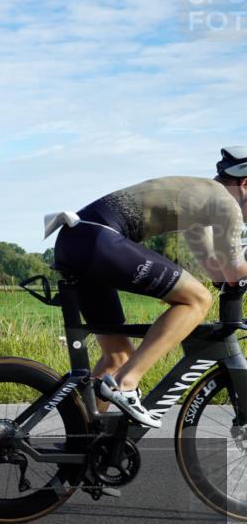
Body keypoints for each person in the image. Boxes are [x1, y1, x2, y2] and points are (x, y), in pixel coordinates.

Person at [50, 146, 247, 427]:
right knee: (197, 300)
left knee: (117, 357)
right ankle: (127, 385)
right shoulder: (226, 204)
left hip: (76, 240)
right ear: (245, 183)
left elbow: (217, 269)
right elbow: (234, 268)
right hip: (96, 239)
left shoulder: (204, 200)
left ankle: (82, 442)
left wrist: (229, 278)